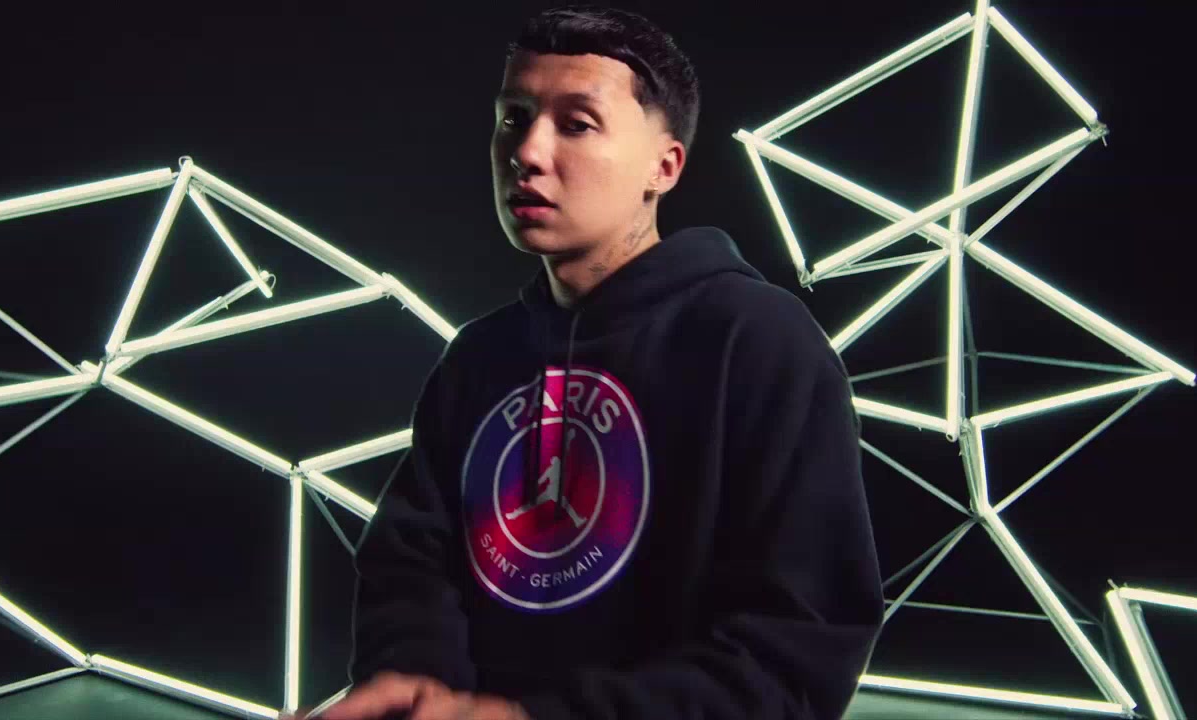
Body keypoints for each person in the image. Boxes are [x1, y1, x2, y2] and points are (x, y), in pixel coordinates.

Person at [318, 6, 883, 719]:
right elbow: (411, 570)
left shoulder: (760, 342)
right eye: (513, 118)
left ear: (663, 166)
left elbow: (794, 652)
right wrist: (416, 689)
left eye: (577, 124)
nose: (527, 152)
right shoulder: (479, 358)